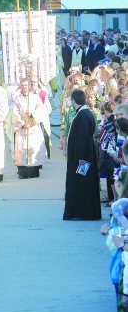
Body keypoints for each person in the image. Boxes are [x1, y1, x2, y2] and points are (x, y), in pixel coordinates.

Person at [63, 89, 101, 221]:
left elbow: (84, 139)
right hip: (83, 157)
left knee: (82, 183)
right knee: (82, 183)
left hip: (82, 159)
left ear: (74, 100)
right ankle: (81, 211)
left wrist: (81, 159)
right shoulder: (84, 113)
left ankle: (83, 212)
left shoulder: (83, 115)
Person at [12, 78, 47, 179]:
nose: (24, 87)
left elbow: (41, 109)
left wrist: (32, 115)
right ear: (20, 86)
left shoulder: (35, 98)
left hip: (33, 127)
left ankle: (33, 172)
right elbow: (15, 113)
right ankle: (22, 173)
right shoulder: (17, 99)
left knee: (33, 148)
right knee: (22, 149)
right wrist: (22, 124)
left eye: (26, 85)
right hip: (22, 128)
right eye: (22, 85)